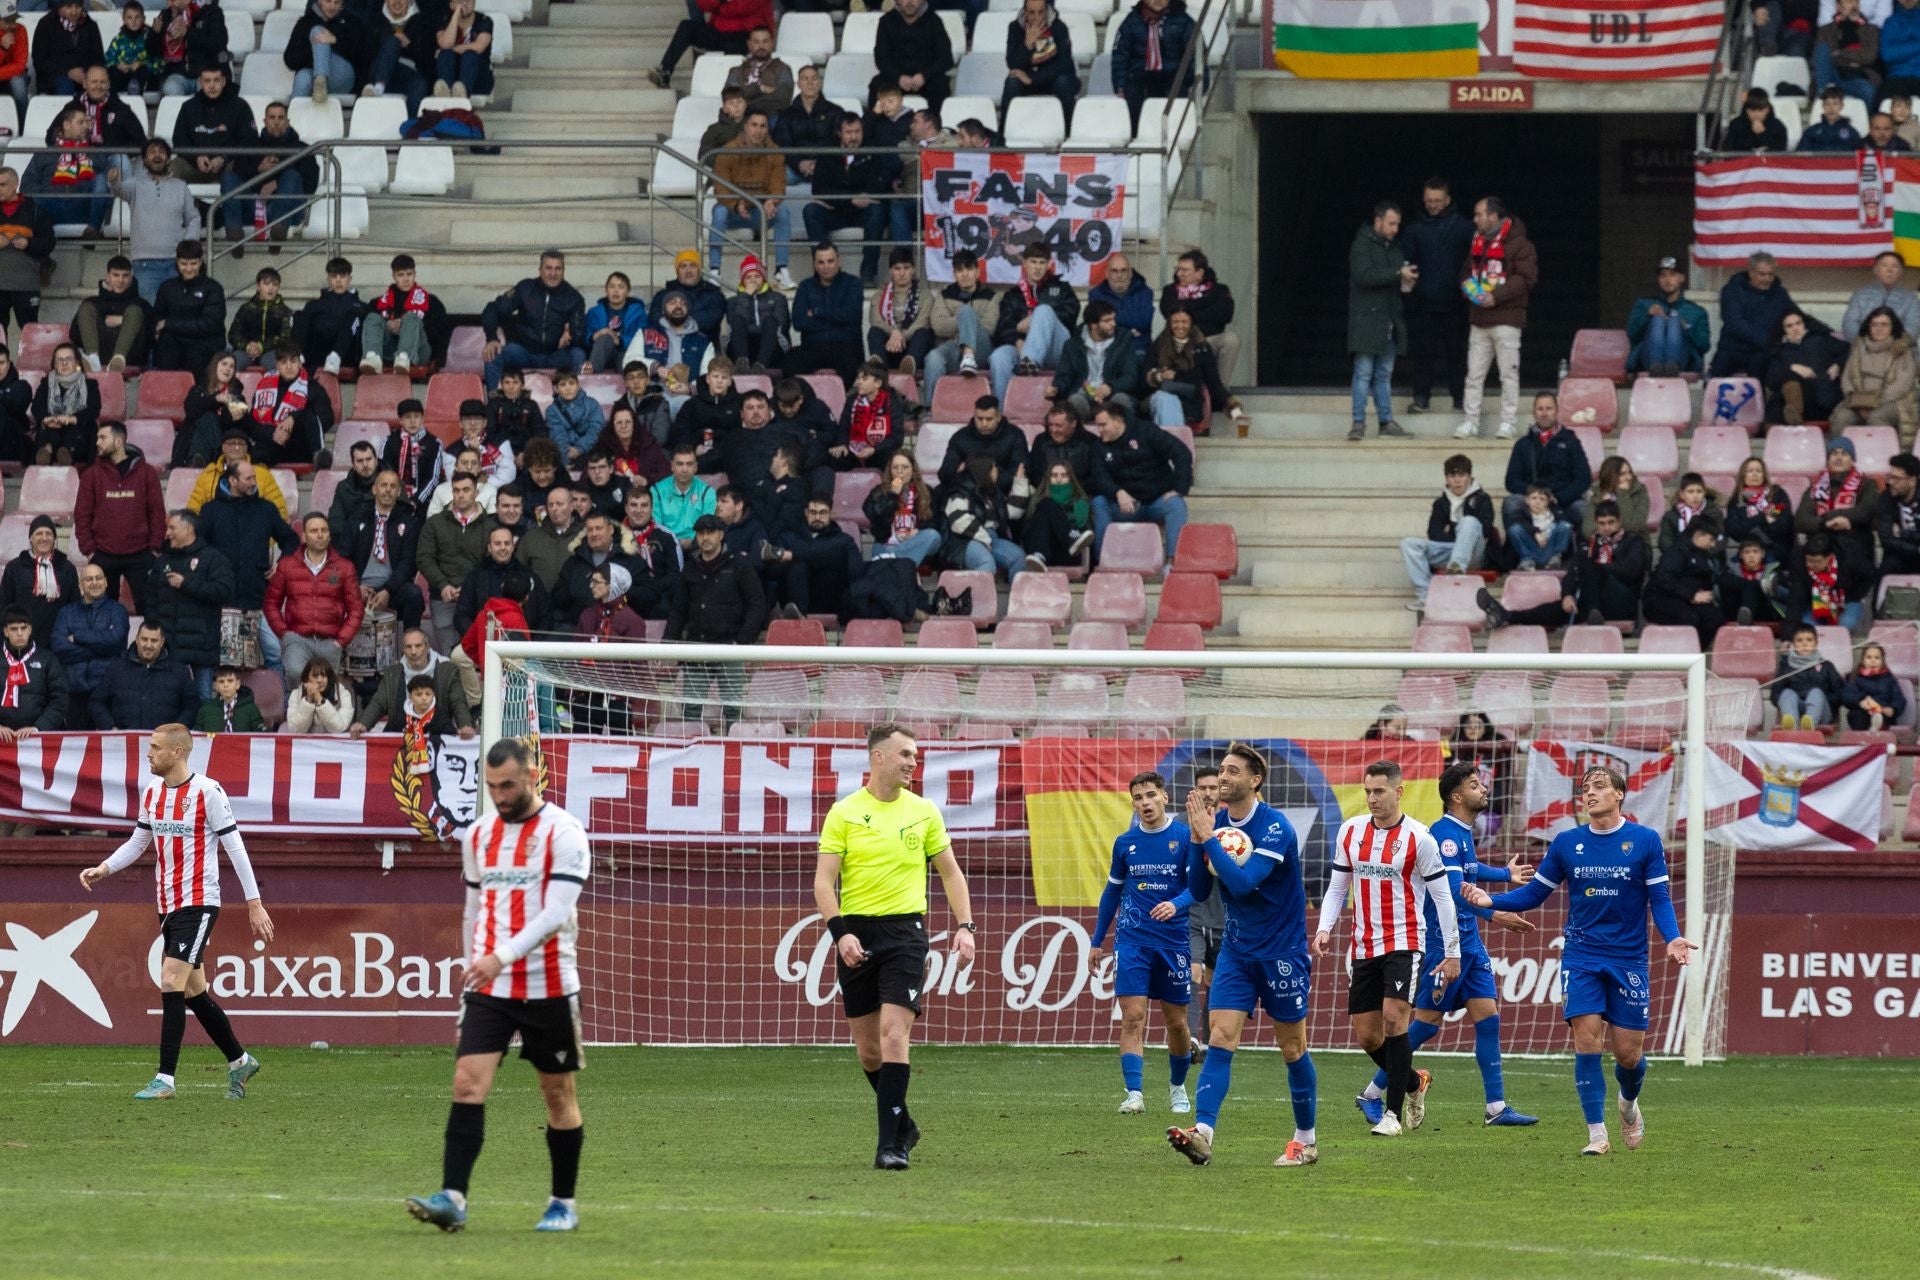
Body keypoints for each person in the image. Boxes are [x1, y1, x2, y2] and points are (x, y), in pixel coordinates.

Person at [404, 739, 590, 1233]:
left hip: (549, 985)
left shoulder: (565, 832)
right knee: (467, 1084)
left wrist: (499, 957)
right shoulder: (479, 835)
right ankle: (452, 1197)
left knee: (557, 1096)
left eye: (508, 785)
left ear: (532, 776)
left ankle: (563, 1204)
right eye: (491, 787)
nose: (500, 795)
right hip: (489, 989)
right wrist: (472, 970)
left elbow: (555, 915)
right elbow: (473, 910)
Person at [1467, 767, 1693, 1155]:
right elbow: (1536, 893)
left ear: (1620, 794)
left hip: (1628, 959)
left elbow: (1660, 898)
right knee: (1587, 1038)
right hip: (1581, 956)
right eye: (1584, 789)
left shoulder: (1645, 841)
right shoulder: (1567, 843)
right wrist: (1493, 901)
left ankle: (1628, 1103)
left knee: (1628, 1054)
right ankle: (1596, 1135)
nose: (1589, 794)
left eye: (1599, 787)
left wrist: (1672, 938)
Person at [813, 722, 976, 1170]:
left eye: (916, 756)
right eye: (905, 754)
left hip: (906, 934)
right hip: (855, 935)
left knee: (893, 1034)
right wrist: (840, 933)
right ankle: (903, 1121)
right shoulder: (844, 813)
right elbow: (824, 883)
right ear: (878, 757)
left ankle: (890, 1146)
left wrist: (966, 926)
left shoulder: (923, 811)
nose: (912, 762)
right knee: (868, 1051)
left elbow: (951, 873)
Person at [79, 725, 272, 1100]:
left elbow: (236, 848)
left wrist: (254, 903)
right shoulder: (152, 792)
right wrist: (104, 868)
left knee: (170, 979)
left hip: (199, 902)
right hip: (166, 904)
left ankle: (165, 1079)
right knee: (194, 992)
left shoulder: (208, 792)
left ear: (178, 752)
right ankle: (240, 1061)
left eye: (155, 748)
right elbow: (139, 842)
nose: (148, 754)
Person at [1354, 761, 1537, 1129]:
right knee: (1424, 1024)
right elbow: (1452, 891)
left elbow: (1468, 869)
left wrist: (1504, 874)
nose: (1483, 789)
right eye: (1474, 785)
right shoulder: (1441, 835)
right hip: (1440, 943)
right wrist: (1494, 914)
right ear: (1456, 796)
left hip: (1470, 944)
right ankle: (1372, 1093)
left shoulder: (1462, 834)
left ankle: (1496, 1107)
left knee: (1488, 1017)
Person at [1164, 742, 1316, 1167]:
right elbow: (1197, 890)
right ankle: (1203, 1133)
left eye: (1233, 771)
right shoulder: (1217, 826)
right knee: (1219, 1037)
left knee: (1292, 1048)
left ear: (1255, 780)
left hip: (1281, 951)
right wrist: (1198, 841)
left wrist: (1208, 838)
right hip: (1237, 949)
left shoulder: (1274, 827)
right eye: (1221, 771)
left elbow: (1245, 882)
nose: (1224, 778)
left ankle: (1306, 1140)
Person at [1315, 759, 1460, 1137]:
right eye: (1366, 791)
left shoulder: (1420, 838)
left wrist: (1452, 951)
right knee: (1368, 1036)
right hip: (1364, 945)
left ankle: (1391, 1115)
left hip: (1406, 942)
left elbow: (1443, 898)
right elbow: (1337, 887)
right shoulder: (1350, 832)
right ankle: (1414, 1081)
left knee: (1396, 1020)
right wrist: (1324, 928)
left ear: (1398, 792)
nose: (1371, 798)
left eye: (1379, 791)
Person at [1089, 771, 1196, 1115]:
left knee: (1176, 1021)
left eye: (1151, 795)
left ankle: (1178, 1087)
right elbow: (1111, 893)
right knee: (1133, 1018)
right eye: (1138, 798)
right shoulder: (1125, 843)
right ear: (1132, 803)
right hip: (1132, 942)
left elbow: (1198, 888)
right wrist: (1096, 940)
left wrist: (1176, 904)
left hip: (1173, 943)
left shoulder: (1184, 838)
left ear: (1164, 797)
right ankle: (1134, 1094)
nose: (1145, 803)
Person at [664, 513, 766, 722]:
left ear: (721, 534)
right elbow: (679, 609)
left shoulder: (739, 565)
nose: (705, 537)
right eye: (701, 533)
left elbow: (757, 604)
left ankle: (733, 754)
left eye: (710, 532)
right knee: (690, 710)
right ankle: (689, 754)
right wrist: (667, 641)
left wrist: (743, 640)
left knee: (733, 710)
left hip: (729, 647)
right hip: (697, 647)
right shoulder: (690, 568)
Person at [1454, 197, 1537, 441]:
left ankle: (1508, 423)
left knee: (1508, 375)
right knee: (1473, 375)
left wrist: (1495, 297)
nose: (1475, 219)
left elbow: (1526, 279)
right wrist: (1469, 289)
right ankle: (1470, 422)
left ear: (1493, 216)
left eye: (1479, 214)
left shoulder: (1521, 244)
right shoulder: (1476, 241)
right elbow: (1466, 273)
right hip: (1479, 319)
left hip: (1507, 320)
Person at [1398, 178, 1473, 416]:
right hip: (1424, 303)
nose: (1433, 205)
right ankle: (1421, 398)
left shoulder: (1464, 228)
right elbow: (1404, 262)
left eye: (1438, 201)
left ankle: (1460, 398)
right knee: (1423, 353)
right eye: (1429, 201)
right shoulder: (1413, 229)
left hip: (1457, 304)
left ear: (1448, 200)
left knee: (1457, 353)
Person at [262, 512, 362, 691]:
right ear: (304, 536)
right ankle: (295, 714)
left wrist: (340, 641)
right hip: (297, 638)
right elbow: (271, 603)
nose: (320, 535)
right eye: (314, 530)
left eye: (324, 530)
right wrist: (285, 634)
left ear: (330, 535)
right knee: (294, 673)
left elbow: (356, 610)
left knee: (326, 690)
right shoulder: (287, 565)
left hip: (331, 640)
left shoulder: (344, 567)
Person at [145, 509, 235, 699]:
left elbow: (224, 591)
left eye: (172, 527)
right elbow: (151, 600)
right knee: (168, 699)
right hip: (169, 648)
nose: (167, 533)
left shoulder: (212, 558)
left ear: (188, 529)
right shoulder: (162, 562)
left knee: (203, 699)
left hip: (201, 648)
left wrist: (186, 584)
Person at [77, 420, 165, 612]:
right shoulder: (91, 475)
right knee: (102, 613)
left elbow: (157, 512)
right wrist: (89, 550)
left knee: (150, 610)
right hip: (102, 554)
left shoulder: (147, 473)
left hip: (141, 554)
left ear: (118, 442)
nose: (97, 442)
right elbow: (82, 515)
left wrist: (154, 549)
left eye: (103, 438)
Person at [1087, 399, 1191, 562]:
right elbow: (1099, 476)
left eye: (1103, 425)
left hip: (1156, 500)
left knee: (1176, 504)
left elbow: (1181, 452)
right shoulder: (1099, 446)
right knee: (1099, 502)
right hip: (1125, 506)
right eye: (1097, 426)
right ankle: (1103, 561)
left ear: (1118, 421)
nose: (1099, 430)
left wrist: (1179, 488)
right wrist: (1117, 492)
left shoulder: (1146, 431)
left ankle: (1173, 562)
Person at [1347, 199, 1415, 441]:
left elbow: (1395, 282)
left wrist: (1407, 282)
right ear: (1378, 222)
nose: (1396, 229)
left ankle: (1385, 421)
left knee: (1384, 374)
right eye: (1391, 224)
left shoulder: (1395, 248)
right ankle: (1358, 422)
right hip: (1367, 320)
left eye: (1397, 224)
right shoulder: (1361, 245)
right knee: (1364, 372)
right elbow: (1364, 276)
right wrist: (1398, 274)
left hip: (1390, 319)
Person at [168, 65, 255, 244]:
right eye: (207, 81)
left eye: (216, 80)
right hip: (195, 165)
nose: (212, 86)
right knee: (172, 168)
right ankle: (171, 226)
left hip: (228, 165)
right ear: (200, 82)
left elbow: (249, 140)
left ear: (223, 82)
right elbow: (179, 141)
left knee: (240, 167)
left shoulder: (240, 106)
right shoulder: (188, 107)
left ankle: (233, 227)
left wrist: (223, 157)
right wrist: (196, 157)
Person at [802, 117, 890, 286]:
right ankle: (822, 270)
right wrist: (851, 198)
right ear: (839, 134)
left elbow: (878, 185)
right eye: (849, 132)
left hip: (862, 212)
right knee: (811, 210)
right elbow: (819, 190)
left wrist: (838, 198)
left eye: (857, 132)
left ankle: (868, 274)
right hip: (836, 212)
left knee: (877, 211)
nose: (854, 137)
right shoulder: (827, 152)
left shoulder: (872, 151)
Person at [110, 140, 199, 306]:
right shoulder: (135, 184)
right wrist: (114, 181)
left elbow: (193, 217)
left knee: (177, 312)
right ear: (144, 160)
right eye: (152, 152)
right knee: (150, 313)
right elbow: (120, 190)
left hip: (177, 262)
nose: (157, 155)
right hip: (145, 265)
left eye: (161, 152)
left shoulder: (180, 186)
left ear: (168, 158)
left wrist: (188, 245)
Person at [1402, 452, 1494, 611]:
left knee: (1469, 521)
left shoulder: (1482, 499)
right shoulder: (1440, 503)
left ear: (1469, 477)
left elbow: (1485, 529)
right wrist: (1458, 535)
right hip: (1449, 551)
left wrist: (1453, 527)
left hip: (1474, 553)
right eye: (1452, 475)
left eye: (1461, 475)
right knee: (1409, 544)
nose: (1457, 480)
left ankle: (1456, 567)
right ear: (1446, 479)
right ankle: (1425, 596)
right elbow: (1433, 532)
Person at [480, 250, 585, 389]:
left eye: (558, 269)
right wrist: (492, 338)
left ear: (563, 271)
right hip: (523, 352)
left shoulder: (574, 297)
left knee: (580, 356)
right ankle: (494, 404)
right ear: (540, 269)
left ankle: (579, 406)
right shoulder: (525, 288)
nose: (553, 273)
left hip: (556, 354)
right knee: (492, 355)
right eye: (548, 268)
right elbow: (492, 309)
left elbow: (578, 335)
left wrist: (570, 334)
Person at [991, 243, 1081, 401]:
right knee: (998, 357)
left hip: (1057, 349)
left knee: (1044, 310)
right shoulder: (1013, 295)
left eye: (1042, 262)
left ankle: (1030, 360)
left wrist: (1037, 318)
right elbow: (1003, 328)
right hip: (1022, 348)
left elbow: (1070, 315)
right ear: (1025, 264)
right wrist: (1017, 339)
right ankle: (1000, 411)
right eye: (1033, 262)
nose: (1037, 267)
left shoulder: (1062, 288)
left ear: (1048, 265)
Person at [711, 109, 792, 286]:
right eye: (754, 125)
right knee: (719, 212)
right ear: (745, 127)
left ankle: (781, 270)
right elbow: (720, 187)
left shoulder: (774, 151)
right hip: (734, 212)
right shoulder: (728, 151)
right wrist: (735, 204)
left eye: (763, 126)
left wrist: (772, 200)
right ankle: (714, 271)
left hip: (760, 211)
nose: (758, 130)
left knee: (783, 212)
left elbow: (779, 183)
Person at [342, 468, 424, 632]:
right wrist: (355, 585)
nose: (387, 490)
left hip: (392, 589)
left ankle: (411, 646)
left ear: (399, 491)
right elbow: (343, 557)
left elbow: (408, 563)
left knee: (414, 595)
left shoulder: (409, 523)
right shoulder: (357, 518)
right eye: (383, 485)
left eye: (392, 486)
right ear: (375, 489)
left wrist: (388, 590)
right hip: (359, 587)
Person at [418, 472, 493, 650]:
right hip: (443, 596)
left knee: (477, 657)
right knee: (448, 656)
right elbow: (424, 557)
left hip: (477, 600)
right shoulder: (434, 523)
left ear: (476, 492)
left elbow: (490, 565)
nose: (460, 494)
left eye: (466, 489)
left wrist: (470, 588)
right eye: (456, 490)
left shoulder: (490, 526)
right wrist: (443, 585)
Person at [350, 628, 471, 734]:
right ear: (403, 650)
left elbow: (458, 702)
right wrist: (363, 724)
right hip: (400, 734)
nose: (413, 652)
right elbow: (378, 703)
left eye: (418, 646)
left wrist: (465, 726)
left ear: (427, 647)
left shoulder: (448, 670)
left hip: (437, 733)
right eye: (408, 647)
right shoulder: (392, 673)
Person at [1500, 391, 1590, 531]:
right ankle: (1519, 549)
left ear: (1557, 411)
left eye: (1549, 408)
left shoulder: (1571, 441)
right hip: (1531, 501)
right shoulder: (1523, 444)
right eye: (1540, 409)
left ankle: (1576, 551)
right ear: (1534, 412)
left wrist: (1557, 498)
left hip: (1562, 501)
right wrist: (1535, 496)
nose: (1544, 413)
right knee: (1511, 503)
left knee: (1583, 509)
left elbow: (1583, 479)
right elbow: (1511, 480)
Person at [921, 249, 1001, 400]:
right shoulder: (945, 295)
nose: (965, 274)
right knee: (933, 357)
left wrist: (966, 318)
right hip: (952, 347)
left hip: (980, 349)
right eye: (960, 270)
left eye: (969, 269)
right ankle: (929, 410)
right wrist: (966, 322)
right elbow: (938, 326)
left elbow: (989, 328)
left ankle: (969, 357)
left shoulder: (991, 296)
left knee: (966, 312)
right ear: (954, 274)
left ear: (977, 272)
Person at [54, 562, 128, 725]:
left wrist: (78, 638)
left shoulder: (118, 611)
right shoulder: (66, 612)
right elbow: (59, 646)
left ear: (106, 582)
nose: (94, 582)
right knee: (77, 747)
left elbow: (116, 642)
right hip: (75, 691)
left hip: (108, 691)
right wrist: (101, 649)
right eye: (89, 579)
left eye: (98, 578)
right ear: (81, 585)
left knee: (109, 747)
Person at [92, 617, 198, 729]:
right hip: (123, 744)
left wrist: (178, 728)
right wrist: (110, 727)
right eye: (144, 639)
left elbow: (192, 705)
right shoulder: (116, 668)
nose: (148, 645)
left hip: (166, 744)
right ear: (136, 639)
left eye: (154, 641)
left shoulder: (179, 671)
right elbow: (97, 702)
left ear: (162, 642)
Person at [1641, 512, 1727, 647]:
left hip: (1686, 600)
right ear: (1698, 535)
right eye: (1710, 539)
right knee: (1689, 618)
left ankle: (1697, 654)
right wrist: (1691, 595)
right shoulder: (1677, 552)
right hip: (1660, 599)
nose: (1712, 545)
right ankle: (1680, 656)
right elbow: (1664, 579)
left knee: (1714, 617)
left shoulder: (1704, 555)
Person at [24, 103, 110, 238]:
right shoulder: (44, 153)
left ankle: (93, 229)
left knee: (101, 180)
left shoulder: (95, 152)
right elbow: (27, 184)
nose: (86, 126)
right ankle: (42, 251)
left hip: (82, 206)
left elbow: (106, 183)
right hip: (50, 206)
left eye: (87, 123)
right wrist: (47, 195)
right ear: (67, 125)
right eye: (81, 122)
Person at [1146, 305, 1236, 432]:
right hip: (1159, 400)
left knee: (1167, 402)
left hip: (1190, 403)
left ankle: (1174, 442)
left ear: (1191, 323)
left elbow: (1214, 384)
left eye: (1184, 322)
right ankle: (1177, 443)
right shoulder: (1159, 345)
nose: (1180, 326)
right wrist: (1158, 376)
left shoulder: (1202, 348)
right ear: (1169, 324)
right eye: (1175, 322)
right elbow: (1144, 377)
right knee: (1165, 398)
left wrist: (1234, 409)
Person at [1830, 306, 1918, 434]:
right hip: (1859, 401)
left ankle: (1882, 453)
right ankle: (1841, 452)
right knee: (1841, 417)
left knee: (1876, 416)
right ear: (1868, 327)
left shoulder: (1902, 350)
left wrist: (1873, 403)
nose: (1879, 329)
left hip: (1894, 401)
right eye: (1874, 324)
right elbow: (1847, 379)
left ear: (1892, 327)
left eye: (1884, 325)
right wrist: (1857, 401)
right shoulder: (1858, 348)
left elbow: (1902, 385)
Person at [1713, 251, 1800, 381]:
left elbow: (1797, 316)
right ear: (1751, 273)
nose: (1767, 279)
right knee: (1717, 374)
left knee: (1765, 364)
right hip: (1733, 348)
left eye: (1771, 274)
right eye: (1762, 274)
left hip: (1762, 352)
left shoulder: (1780, 294)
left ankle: (1760, 401)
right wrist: (1769, 341)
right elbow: (1735, 324)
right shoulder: (1732, 290)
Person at [1052, 298, 1144, 421]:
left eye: (1113, 319)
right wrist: (1057, 388)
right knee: (1074, 401)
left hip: (1113, 394)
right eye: (1107, 321)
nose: (1113, 324)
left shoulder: (1124, 341)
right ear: (1093, 325)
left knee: (1121, 400)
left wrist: (1110, 387)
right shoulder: (1072, 345)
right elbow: (1065, 375)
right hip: (1084, 394)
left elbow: (1130, 376)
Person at [1795, 436, 1879, 569]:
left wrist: (1830, 516)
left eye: (1844, 454)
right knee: (1797, 555)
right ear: (1828, 459)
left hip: (1854, 538)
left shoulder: (1867, 484)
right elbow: (1801, 519)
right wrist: (1826, 524)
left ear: (1853, 460)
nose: (1838, 458)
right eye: (1834, 453)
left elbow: (1865, 512)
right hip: (1820, 538)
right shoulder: (1816, 486)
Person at [787, 242, 866, 382]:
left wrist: (817, 312)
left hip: (845, 346)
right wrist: (837, 322)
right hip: (812, 346)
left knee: (851, 368)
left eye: (830, 261)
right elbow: (799, 322)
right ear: (815, 265)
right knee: (790, 362)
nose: (826, 266)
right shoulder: (805, 286)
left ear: (839, 261)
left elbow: (850, 315)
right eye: (821, 262)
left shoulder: (853, 283)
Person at [247, 344, 334, 468]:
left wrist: (294, 417)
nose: (289, 366)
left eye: (293, 361)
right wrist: (272, 433)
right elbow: (252, 424)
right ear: (277, 365)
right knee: (255, 454)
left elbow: (327, 418)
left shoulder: (313, 387)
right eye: (283, 362)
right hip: (273, 442)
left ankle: (320, 458)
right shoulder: (264, 387)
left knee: (308, 414)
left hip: (300, 444)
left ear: (300, 363)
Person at [1112, 0, 1194, 131]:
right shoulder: (1132, 22)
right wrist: (1120, 86)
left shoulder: (1184, 22)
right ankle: (1136, 134)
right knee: (1131, 93)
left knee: (1178, 91)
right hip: (1141, 76)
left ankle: (1173, 134)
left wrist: (1196, 85)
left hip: (1172, 76)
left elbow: (1194, 55)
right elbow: (1120, 56)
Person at [0, 515, 79, 648]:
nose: (44, 538)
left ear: (54, 539)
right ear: (30, 538)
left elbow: (75, 606)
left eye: (48, 533)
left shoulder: (67, 568)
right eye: (39, 533)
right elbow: (3, 604)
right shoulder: (15, 568)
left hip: (57, 642)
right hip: (22, 642)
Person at [941, 454, 1024, 578]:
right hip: (964, 541)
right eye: (994, 468)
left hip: (990, 538)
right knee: (987, 564)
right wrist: (984, 538)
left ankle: (1016, 596)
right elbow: (958, 520)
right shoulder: (961, 490)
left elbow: (1013, 512)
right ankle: (972, 596)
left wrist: (1020, 482)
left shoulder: (993, 493)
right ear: (985, 472)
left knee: (1018, 558)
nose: (997, 472)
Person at [1627, 256, 1713, 376]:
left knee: (1674, 321)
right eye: (1663, 275)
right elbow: (1632, 335)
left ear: (1682, 278)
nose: (1667, 279)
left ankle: (1671, 367)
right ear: (1658, 279)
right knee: (1658, 319)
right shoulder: (1644, 305)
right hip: (1648, 361)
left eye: (1672, 274)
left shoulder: (1697, 311)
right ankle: (1656, 366)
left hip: (1682, 362)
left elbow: (1704, 346)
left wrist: (1684, 326)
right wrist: (1647, 316)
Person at [150, 238, 226, 373]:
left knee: (195, 351)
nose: (189, 268)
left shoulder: (213, 288)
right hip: (174, 342)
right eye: (184, 264)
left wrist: (169, 324)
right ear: (177, 262)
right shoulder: (167, 287)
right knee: (165, 344)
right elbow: (157, 316)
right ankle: (166, 390)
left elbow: (209, 325)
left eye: (193, 263)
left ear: (201, 261)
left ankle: (196, 392)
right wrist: (157, 329)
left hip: (205, 342)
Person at [649, 0, 767, 87]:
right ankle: (665, 72)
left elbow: (742, 7)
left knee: (732, 48)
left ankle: (730, 87)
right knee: (686, 27)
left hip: (746, 35)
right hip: (718, 31)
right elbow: (704, 4)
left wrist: (721, 6)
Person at [1001, 0, 1078, 125]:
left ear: (1046, 11)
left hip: (1053, 80)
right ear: (1025, 12)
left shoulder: (1058, 27)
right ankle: (1003, 134)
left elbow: (1065, 64)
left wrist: (1033, 79)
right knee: (1012, 82)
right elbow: (1013, 64)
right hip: (1027, 82)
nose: (1037, 17)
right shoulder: (1015, 28)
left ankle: (1070, 132)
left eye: (1041, 12)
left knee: (1063, 82)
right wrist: (1027, 45)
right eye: (1032, 13)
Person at [1765, 307, 1847, 423]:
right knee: (1774, 411)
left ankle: (1795, 417)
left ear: (1804, 324)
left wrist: (1838, 364)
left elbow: (1849, 351)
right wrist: (1792, 367)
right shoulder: (1779, 350)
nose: (1795, 328)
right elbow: (1771, 381)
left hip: (1822, 397)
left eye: (1798, 323)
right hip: (1792, 399)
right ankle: (1795, 415)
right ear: (1783, 330)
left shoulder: (1821, 340)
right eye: (1789, 326)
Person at [71, 255, 150, 374]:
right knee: (87, 307)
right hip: (100, 353)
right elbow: (74, 334)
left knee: (135, 312)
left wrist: (125, 320)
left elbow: (151, 335)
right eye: (116, 275)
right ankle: (92, 358)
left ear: (131, 278)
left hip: (130, 356)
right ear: (108, 277)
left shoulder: (141, 304)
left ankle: (118, 359)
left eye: (125, 276)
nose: (120, 280)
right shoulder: (93, 302)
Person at [363, 253, 441, 373]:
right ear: (394, 276)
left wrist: (407, 327)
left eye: (409, 274)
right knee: (373, 317)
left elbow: (438, 331)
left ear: (415, 274)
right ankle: (372, 358)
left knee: (410, 318)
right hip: (389, 350)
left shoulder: (431, 301)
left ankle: (405, 358)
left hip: (418, 351)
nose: (406, 279)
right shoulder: (377, 303)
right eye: (401, 275)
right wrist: (387, 325)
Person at [1784, 531, 1874, 630]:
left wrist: (1855, 595)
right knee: (1808, 625)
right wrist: (1788, 634)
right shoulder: (1799, 563)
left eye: (1817, 561)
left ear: (1829, 558)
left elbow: (1868, 577)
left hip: (1847, 601)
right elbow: (1796, 597)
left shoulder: (1849, 557)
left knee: (1845, 624)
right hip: (1815, 603)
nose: (1811, 565)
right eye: (1809, 560)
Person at [875, 0, 953, 115]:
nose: (910, 2)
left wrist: (924, 75)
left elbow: (946, 58)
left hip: (927, 79)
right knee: (877, 86)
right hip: (896, 78)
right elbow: (881, 58)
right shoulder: (886, 22)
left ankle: (937, 130)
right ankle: (879, 131)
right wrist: (898, 77)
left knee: (940, 86)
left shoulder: (934, 21)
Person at [865, 451, 941, 566]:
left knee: (933, 536)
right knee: (883, 549)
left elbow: (936, 522)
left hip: (916, 542)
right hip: (887, 545)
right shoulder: (879, 492)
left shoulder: (927, 492)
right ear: (890, 471)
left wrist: (918, 530)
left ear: (913, 470)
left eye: (905, 467)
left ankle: (894, 557)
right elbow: (876, 520)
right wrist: (892, 495)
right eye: (895, 467)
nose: (900, 471)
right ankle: (905, 566)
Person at [30, 344, 101, 465]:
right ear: (54, 364)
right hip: (52, 431)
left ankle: (67, 453)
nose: (64, 363)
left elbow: (94, 410)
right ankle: (46, 452)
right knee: (47, 427)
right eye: (59, 360)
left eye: (68, 359)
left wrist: (71, 419)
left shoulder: (89, 385)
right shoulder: (46, 384)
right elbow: (36, 407)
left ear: (77, 363)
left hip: (78, 433)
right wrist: (46, 419)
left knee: (75, 428)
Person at [866, 247, 933, 374]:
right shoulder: (880, 294)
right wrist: (894, 333)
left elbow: (923, 321)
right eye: (897, 268)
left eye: (906, 268)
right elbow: (876, 321)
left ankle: (909, 364)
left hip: (911, 348)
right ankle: (878, 366)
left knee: (924, 333)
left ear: (913, 270)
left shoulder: (925, 294)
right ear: (891, 271)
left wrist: (901, 336)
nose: (902, 273)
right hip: (889, 347)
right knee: (874, 331)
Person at [293, 255, 364, 373]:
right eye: (334, 276)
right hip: (317, 353)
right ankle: (297, 355)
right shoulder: (314, 305)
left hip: (345, 356)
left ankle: (335, 356)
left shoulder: (360, 306)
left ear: (349, 279)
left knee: (354, 316)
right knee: (299, 315)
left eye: (342, 276)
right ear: (328, 279)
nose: (338, 280)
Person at [0, 168, 52, 329]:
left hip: (26, 284)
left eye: (3, 185)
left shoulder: (36, 211)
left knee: (30, 332)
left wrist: (28, 244)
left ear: (16, 184)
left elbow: (49, 243)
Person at [1021, 459, 1093, 571]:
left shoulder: (1080, 501)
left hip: (1070, 552)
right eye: (1054, 475)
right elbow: (1032, 528)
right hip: (1043, 550)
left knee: (1047, 505)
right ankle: (1041, 553)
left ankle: (1070, 537)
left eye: (1064, 475)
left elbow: (1084, 527)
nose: (1059, 479)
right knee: (1046, 504)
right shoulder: (1038, 499)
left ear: (1070, 478)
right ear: (1048, 479)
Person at [648, 250, 728, 348]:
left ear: (699, 269)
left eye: (693, 265)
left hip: (705, 349)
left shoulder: (714, 293)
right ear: (677, 271)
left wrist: (675, 319)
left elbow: (709, 322)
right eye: (683, 266)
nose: (688, 270)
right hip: (669, 348)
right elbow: (655, 320)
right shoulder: (663, 295)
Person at [366, 0, 435, 113]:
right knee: (393, 41)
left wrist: (409, 45)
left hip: (406, 73)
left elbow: (428, 59)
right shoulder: (375, 19)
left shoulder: (423, 21)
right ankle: (379, 85)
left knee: (420, 84)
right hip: (378, 70)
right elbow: (365, 55)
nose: (397, 2)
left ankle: (411, 126)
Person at [149, 0, 230, 95]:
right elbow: (153, 51)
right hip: (178, 73)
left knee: (209, 88)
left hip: (206, 71)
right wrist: (155, 33)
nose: (169, 4)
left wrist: (187, 33)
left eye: (173, 0)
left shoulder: (211, 12)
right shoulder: (166, 15)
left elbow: (218, 43)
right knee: (170, 88)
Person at [725, 256, 789, 373]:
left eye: (757, 276)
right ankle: (742, 364)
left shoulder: (778, 298)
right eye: (748, 277)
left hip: (771, 347)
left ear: (763, 278)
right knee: (738, 319)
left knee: (771, 321)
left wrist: (756, 329)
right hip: (741, 348)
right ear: (742, 280)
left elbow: (781, 325)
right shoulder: (733, 302)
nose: (753, 280)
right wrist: (747, 296)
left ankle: (760, 365)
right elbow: (735, 325)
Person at [1774, 623, 1844, 730]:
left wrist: (1825, 699)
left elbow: (1839, 692)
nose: (1804, 644)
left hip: (1822, 712)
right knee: (1787, 693)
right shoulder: (1786, 667)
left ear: (1816, 643)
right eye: (1800, 641)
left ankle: (1809, 724)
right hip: (1796, 708)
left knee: (1816, 693)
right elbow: (1775, 694)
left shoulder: (1826, 666)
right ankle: (1792, 724)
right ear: (1793, 644)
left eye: (1809, 640)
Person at [1090, 251, 1155, 365]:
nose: (1119, 275)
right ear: (1106, 273)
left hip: (1137, 347)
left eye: (1123, 271)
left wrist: (1112, 321)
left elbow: (1143, 321)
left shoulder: (1144, 292)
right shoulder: (1096, 294)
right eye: (1114, 271)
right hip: (1107, 345)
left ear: (1130, 273)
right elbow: (1098, 325)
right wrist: (1129, 331)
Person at [1815, 0, 1882, 107]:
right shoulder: (1826, 30)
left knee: (1868, 90)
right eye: (1849, 2)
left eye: (1857, 3)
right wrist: (1853, 58)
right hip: (1833, 73)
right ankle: (1823, 96)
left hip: (1857, 75)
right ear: (1838, 7)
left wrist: (1840, 53)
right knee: (1822, 49)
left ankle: (1867, 121)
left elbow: (1870, 57)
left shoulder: (1871, 30)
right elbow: (1825, 56)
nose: (1854, 6)